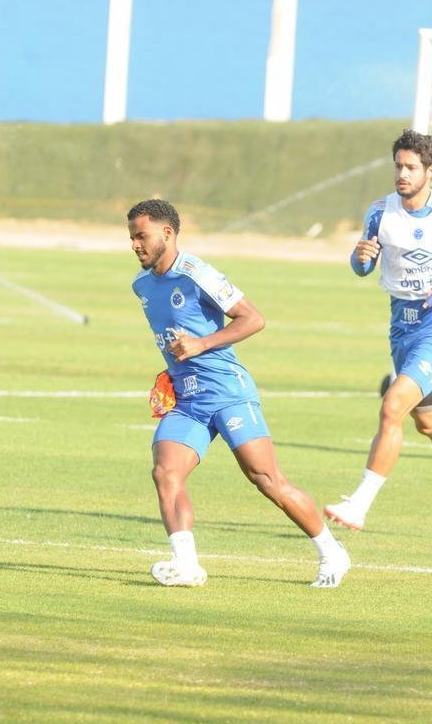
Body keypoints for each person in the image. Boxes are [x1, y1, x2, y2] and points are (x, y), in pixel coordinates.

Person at [128, 198, 350, 588]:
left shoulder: (198, 274)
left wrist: (201, 344)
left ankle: (332, 552)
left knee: (266, 479)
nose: (135, 245)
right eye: (131, 237)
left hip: (228, 392)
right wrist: (172, 369)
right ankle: (186, 565)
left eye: (141, 236)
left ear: (167, 233)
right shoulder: (142, 286)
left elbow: (253, 318)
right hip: (188, 400)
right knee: (166, 472)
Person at [324, 129, 432, 531]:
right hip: (402, 327)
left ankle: (359, 504)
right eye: (399, 166)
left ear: (430, 171)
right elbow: (363, 267)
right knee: (429, 421)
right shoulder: (380, 212)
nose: (403, 173)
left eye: (412, 167)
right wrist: (359, 258)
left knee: (391, 407)